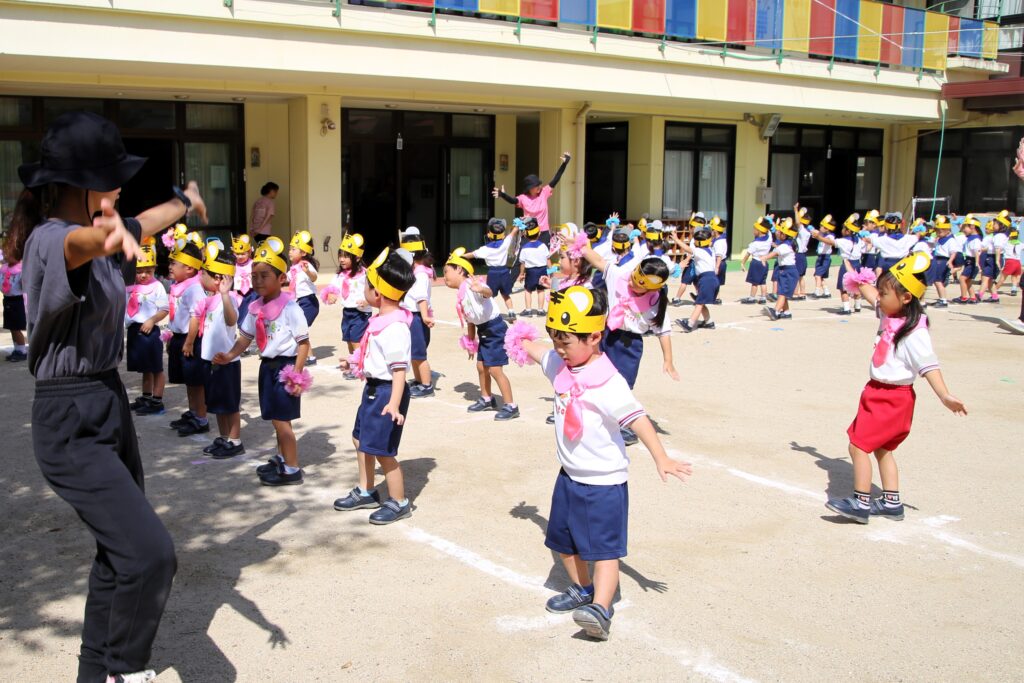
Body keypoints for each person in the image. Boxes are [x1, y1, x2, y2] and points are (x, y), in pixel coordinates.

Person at [13, 110, 175, 683]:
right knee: (150, 553)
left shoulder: (103, 231)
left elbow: (141, 221)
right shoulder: (53, 240)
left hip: (108, 400)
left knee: (118, 552)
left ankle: (93, 671)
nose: (121, 189)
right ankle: (124, 670)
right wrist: (110, 231)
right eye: (112, 179)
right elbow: (85, 241)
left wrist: (185, 202)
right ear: (83, 183)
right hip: (69, 414)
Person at [511, 285, 692, 640]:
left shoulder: (609, 382)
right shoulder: (561, 365)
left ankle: (601, 609)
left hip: (604, 482)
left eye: (566, 342)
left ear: (594, 337)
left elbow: (638, 419)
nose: (559, 348)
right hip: (569, 476)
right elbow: (538, 351)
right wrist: (518, 337)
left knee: (605, 551)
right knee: (562, 542)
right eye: (556, 339)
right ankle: (583, 588)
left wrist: (661, 457)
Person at [826, 252, 966, 524]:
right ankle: (892, 502)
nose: (878, 298)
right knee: (882, 449)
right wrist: (860, 279)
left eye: (884, 293)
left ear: (906, 298)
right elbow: (869, 294)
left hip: (890, 397)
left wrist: (944, 395)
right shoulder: (890, 315)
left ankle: (860, 502)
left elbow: (929, 365)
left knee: (858, 446)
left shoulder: (913, 331)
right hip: (881, 394)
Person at [215, 236, 311, 486]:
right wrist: (229, 355)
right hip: (267, 368)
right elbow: (245, 338)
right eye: (254, 276)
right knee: (276, 419)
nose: (257, 281)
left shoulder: (291, 308)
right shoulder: (255, 307)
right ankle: (282, 457)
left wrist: (296, 375)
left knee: (282, 421)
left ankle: (292, 468)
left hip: (285, 368)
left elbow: (304, 344)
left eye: (264, 276)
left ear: (281, 278)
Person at [334, 247, 416, 524]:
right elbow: (372, 353)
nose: (364, 289)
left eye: (367, 286)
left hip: (386, 393)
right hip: (373, 389)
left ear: (377, 294)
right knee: (360, 440)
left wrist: (393, 403)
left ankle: (399, 502)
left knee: (383, 451)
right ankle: (366, 490)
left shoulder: (395, 328)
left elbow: (399, 371)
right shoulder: (380, 320)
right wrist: (354, 361)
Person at [444, 247, 519, 421]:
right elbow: (471, 320)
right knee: (481, 366)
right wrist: (471, 343)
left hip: (495, 329)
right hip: (483, 330)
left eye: (447, 271)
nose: (445, 276)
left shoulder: (472, 284)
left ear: (459, 269)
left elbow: (489, 293)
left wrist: (481, 289)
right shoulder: (461, 294)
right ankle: (487, 398)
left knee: (494, 369)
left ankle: (511, 405)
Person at [193, 240, 244, 459]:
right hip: (211, 361)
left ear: (218, 279)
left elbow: (232, 320)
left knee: (230, 404)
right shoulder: (210, 300)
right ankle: (224, 438)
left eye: (203, 273)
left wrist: (224, 294)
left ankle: (235, 440)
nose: (200, 276)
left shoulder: (229, 299)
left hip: (226, 362)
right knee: (218, 404)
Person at [165, 227, 209, 436]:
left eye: (174, 263)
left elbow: (196, 317)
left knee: (196, 382)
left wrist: (189, 342)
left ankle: (201, 418)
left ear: (190, 268)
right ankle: (193, 413)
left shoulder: (193, 289)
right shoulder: (179, 286)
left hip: (190, 340)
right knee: (188, 381)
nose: (170, 266)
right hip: (180, 337)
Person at [125, 238, 169, 415]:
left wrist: (152, 320)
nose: (143, 275)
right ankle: (146, 397)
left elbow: (164, 309)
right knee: (145, 368)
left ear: (154, 269)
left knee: (156, 367)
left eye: (148, 271)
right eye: (139, 271)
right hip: (135, 331)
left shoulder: (157, 286)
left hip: (150, 332)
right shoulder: (130, 286)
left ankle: (157, 401)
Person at [493, 153, 571, 243]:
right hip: (528, 234)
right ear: (529, 188)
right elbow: (513, 201)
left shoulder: (544, 192)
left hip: (543, 233)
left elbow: (556, 179)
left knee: (544, 252)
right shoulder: (523, 198)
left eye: (539, 184)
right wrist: (503, 195)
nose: (539, 187)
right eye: (536, 186)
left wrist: (564, 164)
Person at [321, 233, 369, 379]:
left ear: (357, 257)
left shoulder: (364, 274)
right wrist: (330, 294)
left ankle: (359, 367)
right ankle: (353, 363)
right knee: (349, 339)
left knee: (356, 340)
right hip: (347, 312)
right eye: (340, 255)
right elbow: (332, 287)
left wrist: (367, 301)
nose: (341, 259)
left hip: (361, 313)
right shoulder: (340, 275)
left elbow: (374, 291)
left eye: (346, 256)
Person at [399, 227, 436, 398]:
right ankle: (419, 380)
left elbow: (422, 298)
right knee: (413, 353)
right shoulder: (413, 271)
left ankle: (427, 385)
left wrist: (425, 316)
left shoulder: (420, 274)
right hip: (411, 316)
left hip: (417, 318)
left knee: (419, 354)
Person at [464, 217, 520, 320]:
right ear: (503, 235)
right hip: (505, 272)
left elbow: (471, 255)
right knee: (506, 294)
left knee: (489, 295)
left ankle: (488, 313)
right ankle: (511, 313)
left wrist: (460, 256)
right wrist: (518, 224)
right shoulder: (505, 242)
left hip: (493, 273)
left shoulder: (485, 249)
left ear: (489, 235)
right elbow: (513, 232)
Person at [813, 214, 863, 315]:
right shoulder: (859, 240)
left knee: (843, 288)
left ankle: (846, 309)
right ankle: (857, 306)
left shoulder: (843, 241)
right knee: (857, 286)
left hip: (847, 264)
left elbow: (830, 242)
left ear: (848, 231)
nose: (842, 230)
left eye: (844, 228)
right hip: (857, 264)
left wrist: (818, 237)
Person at [673, 227, 720, 332]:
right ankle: (708, 321)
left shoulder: (698, 251)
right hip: (712, 279)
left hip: (706, 279)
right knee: (701, 301)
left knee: (699, 304)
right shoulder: (711, 251)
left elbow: (687, 249)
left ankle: (689, 324)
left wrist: (676, 240)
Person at [762, 218, 798, 320]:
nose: (777, 233)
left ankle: (776, 311)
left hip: (789, 271)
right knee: (782, 292)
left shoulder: (786, 246)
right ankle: (786, 312)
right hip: (785, 270)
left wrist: (764, 258)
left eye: (780, 232)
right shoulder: (785, 244)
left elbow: (775, 253)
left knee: (782, 293)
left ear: (785, 235)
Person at [1, 236, 27, 361]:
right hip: (7, 299)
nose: (5, 256)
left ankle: (22, 351)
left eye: (8, 253)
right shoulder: (4, 269)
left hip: (17, 300)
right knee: (11, 327)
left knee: (16, 328)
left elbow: (25, 284)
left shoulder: (21, 270)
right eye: (5, 253)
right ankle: (16, 349)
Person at [518, 217, 550, 317]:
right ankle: (540, 310)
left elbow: (522, 263)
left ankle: (528, 310)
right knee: (541, 290)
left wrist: (521, 274)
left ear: (525, 235)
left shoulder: (524, 248)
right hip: (542, 270)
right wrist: (551, 271)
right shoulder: (543, 246)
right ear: (539, 233)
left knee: (528, 290)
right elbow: (548, 259)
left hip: (530, 271)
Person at [740, 216, 773, 304]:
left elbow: (747, 254)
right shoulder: (769, 238)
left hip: (756, 263)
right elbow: (769, 231)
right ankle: (763, 298)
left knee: (754, 282)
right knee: (763, 281)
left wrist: (742, 263)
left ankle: (752, 298)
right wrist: (766, 221)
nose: (753, 231)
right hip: (764, 263)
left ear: (759, 231)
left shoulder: (755, 243)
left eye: (754, 229)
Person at [926, 215, 956, 308]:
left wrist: (950, 261)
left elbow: (953, 252)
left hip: (943, 260)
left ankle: (943, 300)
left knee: (938, 281)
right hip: (937, 259)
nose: (938, 232)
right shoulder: (940, 239)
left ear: (948, 230)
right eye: (937, 230)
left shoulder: (950, 240)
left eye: (941, 231)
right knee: (937, 281)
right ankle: (941, 299)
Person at [955, 217, 982, 304]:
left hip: (972, 261)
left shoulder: (975, 239)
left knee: (962, 279)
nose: (963, 230)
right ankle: (973, 298)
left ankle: (964, 297)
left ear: (972, 226)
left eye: (965, 227)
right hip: (969, 261)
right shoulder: (971, 237)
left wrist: (977, 263)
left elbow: (977, 252)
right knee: (968, 280)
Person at [232, 233, 257, 325]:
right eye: (237, 254)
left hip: (251, 292)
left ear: (249, 252)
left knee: (251, 311)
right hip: (238, 293)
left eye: (242, 254)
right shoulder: (233, 265)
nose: (239, 257)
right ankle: (240, 325)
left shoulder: (253, 263)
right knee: (239, 311)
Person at [810, 214, 835, 299]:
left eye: (822, 226)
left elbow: (830, 241)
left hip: (825, 257)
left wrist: (819, 237)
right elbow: (815, 233)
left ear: (827, 228)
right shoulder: (822, 234)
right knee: (821, 276)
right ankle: (826, 292)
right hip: (821, 257)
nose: (820, 227)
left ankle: (816, 292)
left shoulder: (830, 236)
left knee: (817, 275)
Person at [994, 226, 1021, 296]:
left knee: (1002, 278)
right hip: (1018, 263)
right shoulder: (1020, 244)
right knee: (1014, 276)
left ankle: (994, 290)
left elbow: (999, 247)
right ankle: (1014, 289)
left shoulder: (1006, 243)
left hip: (1010, 262)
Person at [793, 205, 811, 300]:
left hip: (799, 255)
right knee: (801, 276)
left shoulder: (803, 230)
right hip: (803, 255)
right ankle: (802, 292)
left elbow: (797, 222)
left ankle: (796, 293)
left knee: (796, 275)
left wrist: (796, 210)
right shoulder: (807, 231)